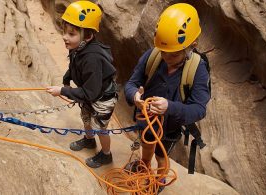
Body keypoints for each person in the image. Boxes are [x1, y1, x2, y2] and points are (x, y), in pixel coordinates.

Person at [124, 3, 210, 191]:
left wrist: (169, 107)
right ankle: (144, 166)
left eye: (173, 54)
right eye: (164, 52)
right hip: (147, 120)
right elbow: (130, 84)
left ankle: (159, 180)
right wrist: (135, 97)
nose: (166, 57)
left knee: (162, 156)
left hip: (170, 127)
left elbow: (199, 109)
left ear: (191, 46)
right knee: (147, 145)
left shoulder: (198, 70)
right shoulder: (153, 56)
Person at [46, 1, 118, 168]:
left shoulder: (92, 58)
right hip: (90, 91)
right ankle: (89, 140)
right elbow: (74, 65)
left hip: (102, 97)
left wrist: (64, 90)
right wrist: (67, 77)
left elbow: (91, 93)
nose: (65, 37)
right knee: (86, 118)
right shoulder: (77, 47)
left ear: (88, 36)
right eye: (65, 32)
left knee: (100, 126)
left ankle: (106, 154)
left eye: (71, 34)